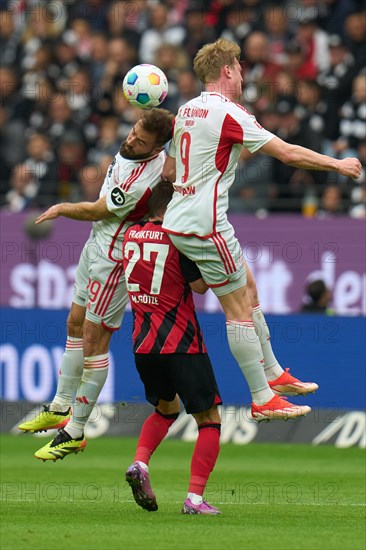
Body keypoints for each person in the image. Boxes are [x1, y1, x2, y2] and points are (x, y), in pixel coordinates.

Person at [162, 38, 361, 419]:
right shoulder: (228, 112)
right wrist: (337, 165)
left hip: (182, 220)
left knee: (248, 285)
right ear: (227, 70)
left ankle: (273, 373)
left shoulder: (185, 110)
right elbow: (286, 153)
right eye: (239, 67)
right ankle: (260, 398)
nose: (242, 74)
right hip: (206, 225)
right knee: (237, 309)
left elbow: (171, 170)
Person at [18, 108, 175, 461]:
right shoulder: (135, 147)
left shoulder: (143, 178)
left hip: (115, 256)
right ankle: (60, 407)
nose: (132, 139)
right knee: (74, 321)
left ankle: (75, 431)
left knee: (94, 336)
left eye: (142, 141)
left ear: (155, 150)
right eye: (134, 131)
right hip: (96, 245)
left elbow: (96, 210)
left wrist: (61, 208)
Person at [123, 181, 222, 515]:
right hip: (182, 343)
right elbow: (201, 286)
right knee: (209, 419)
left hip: (143, 345)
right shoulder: (178, 239)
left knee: (166, 408)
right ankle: (194, 499)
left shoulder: (130, 236)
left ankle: (140, 463)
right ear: (172, 208)